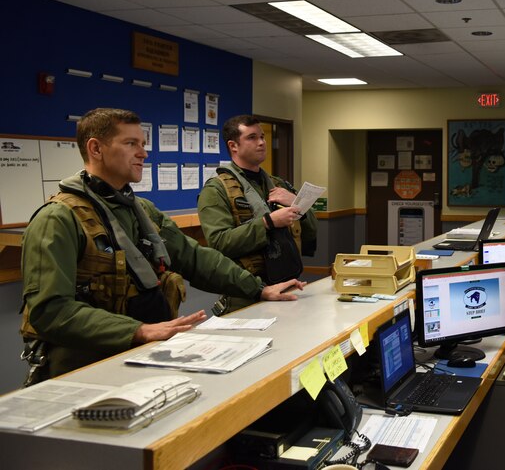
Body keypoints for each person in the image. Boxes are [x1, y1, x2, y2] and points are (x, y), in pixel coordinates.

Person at [19, 108, 304, 385]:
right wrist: (138, 330)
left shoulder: (141, 210)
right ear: (95, 148)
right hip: (85, 374)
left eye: (142, 144)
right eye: (131, 143)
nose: (143, 153)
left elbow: (194, 258)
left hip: (142, 360)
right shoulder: (58, 219)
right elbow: (51, 311)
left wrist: (258, 289)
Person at [197, 114, 317, 315]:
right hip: (246, 294)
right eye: (252, 137)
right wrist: (268, 223)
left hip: (287, 283)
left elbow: (311, 233)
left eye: (262, 136)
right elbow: (219, 242)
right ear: (233, 146)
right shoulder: (216, 190)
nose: (261, 142)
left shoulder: (278, 184)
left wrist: (298, 204)